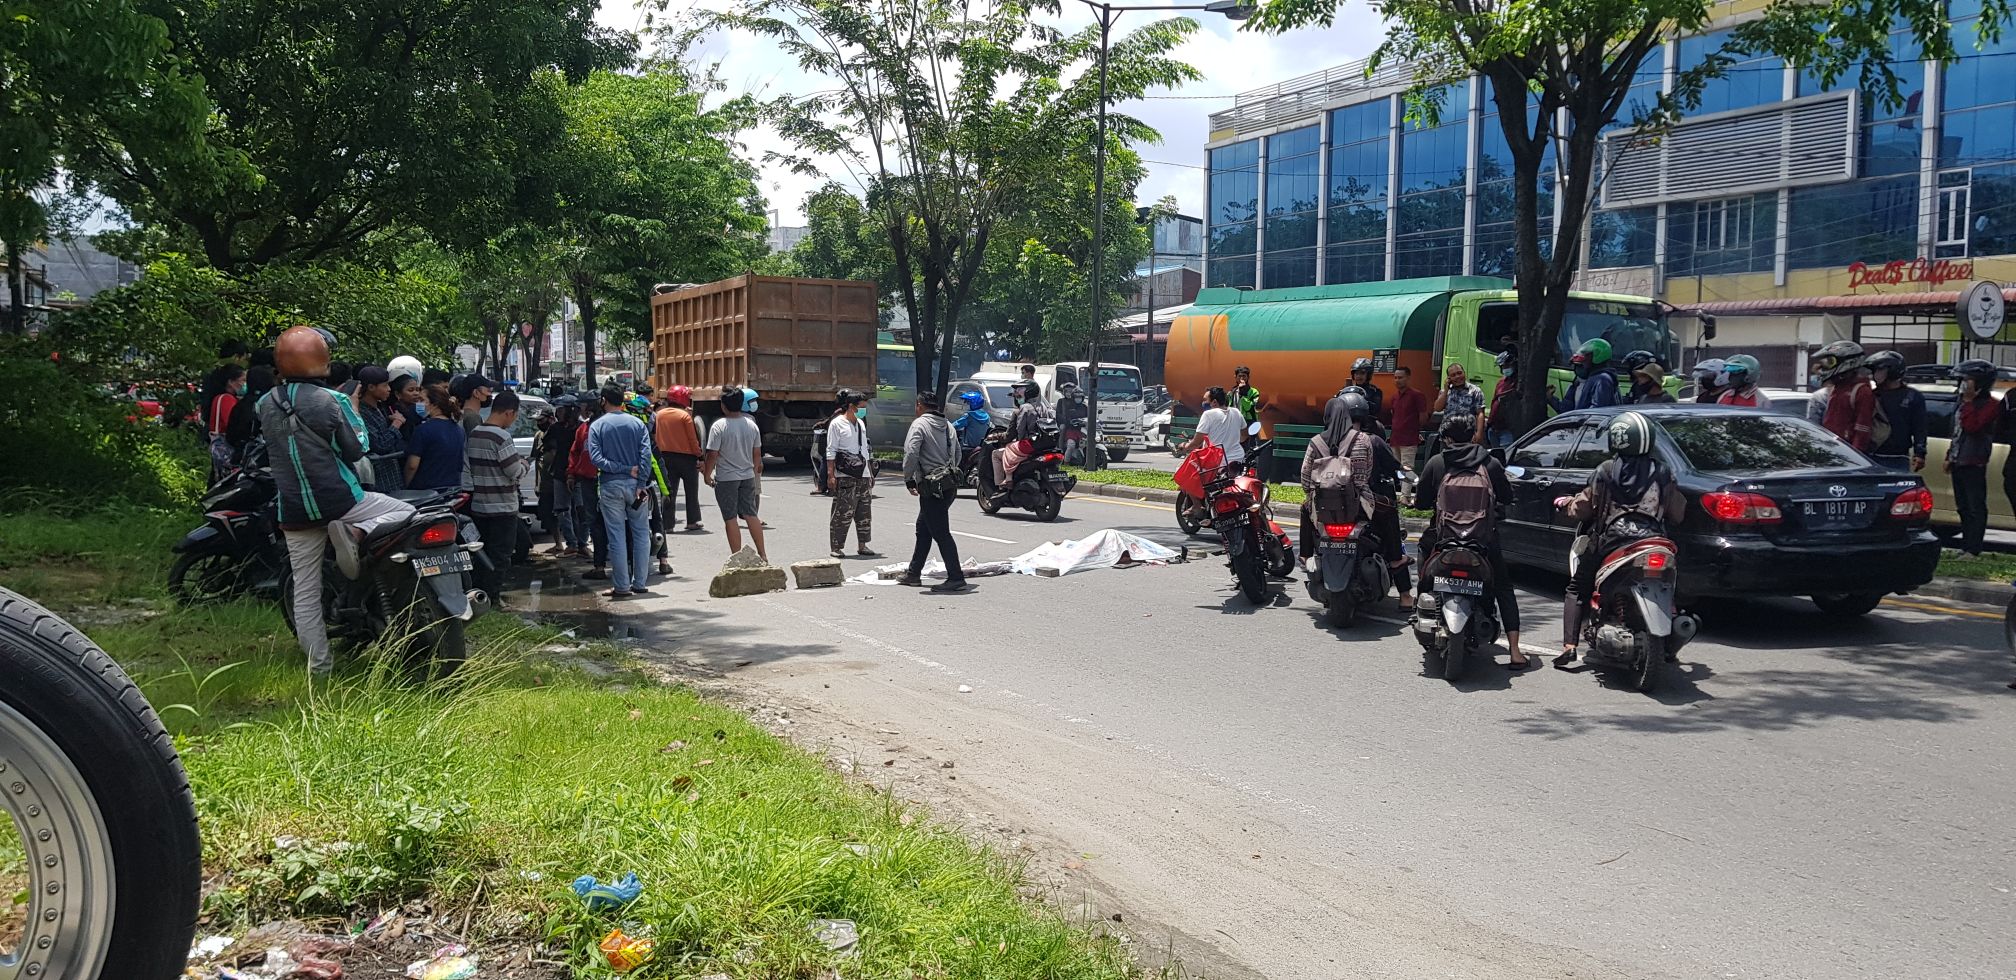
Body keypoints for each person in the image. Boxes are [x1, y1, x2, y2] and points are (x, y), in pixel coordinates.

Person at [258, 326, 413, 676]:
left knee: (306, 589)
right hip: (341, 502)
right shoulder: (332, 401)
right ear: (323, 362)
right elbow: (356, 449)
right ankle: (357, 534)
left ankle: (320, 667)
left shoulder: (264, 403)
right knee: (407, 512)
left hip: (294, 510)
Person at [1552, 411, 1688, 670]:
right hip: (1655, 541)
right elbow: (1678, 514)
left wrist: (1566, 503)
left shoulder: (1606, 470)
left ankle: (1569, 647)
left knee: (1576, 588)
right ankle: (1672, 632)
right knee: (1672, 585)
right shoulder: (1663, 472)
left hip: (1613, 543)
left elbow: (1583, 508)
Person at [1412, 413, 1525, 668]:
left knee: (1423, 553)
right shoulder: (1491, 463)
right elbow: (1507, 497)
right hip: (1482, 541)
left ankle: (1418, 603)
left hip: (1444, 539)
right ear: (1473, 435)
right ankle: (1516, 652)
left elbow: (1420, 502)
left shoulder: (1437, 462)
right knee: (1504, 588)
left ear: (1447, 438)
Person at [1300, 393, 1413, 611]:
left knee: (1305, 508)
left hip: (1323, 507)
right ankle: (1401, 576)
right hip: (1360, 504)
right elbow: (1363, 477)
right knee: (1390, 510)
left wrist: (1319, 493)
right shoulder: (1367, 440)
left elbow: (1306, 478)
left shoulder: (1316, 441)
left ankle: (1305, 555)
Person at [901, 392, 971, 593]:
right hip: (948, 485)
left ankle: (956, 577)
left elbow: (912, 452)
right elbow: (957, 454)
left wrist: (909, 478)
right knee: (923, 529)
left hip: (932, 488)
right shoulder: (948, 425)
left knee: (940, 533)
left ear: (920, 405)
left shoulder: (919, 425)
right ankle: (913, 574)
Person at [467, 389, 530, 604]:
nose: (513, 420)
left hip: (479, 505)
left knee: (481, 554)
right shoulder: (502, 437)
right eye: (515, 416)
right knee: (500, 556)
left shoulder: (475, 432)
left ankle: (478, 596)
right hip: (502, 507)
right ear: (509, 412)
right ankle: (492, 599)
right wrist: (524, 464)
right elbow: (514, 472)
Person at [704, 385, 767, 560]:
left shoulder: (719, 426)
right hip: (747, 476)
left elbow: (712, 455)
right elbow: (757, 454)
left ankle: (737, 558)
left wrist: (707, 475)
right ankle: (763, 554)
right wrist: (753, 473)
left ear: (723, 405)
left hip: (726, 478)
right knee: (750, 514)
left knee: (730, 518)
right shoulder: (751, 425)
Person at [1948, 359, 1999, 556]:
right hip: (1958, 460)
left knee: (1975, 506)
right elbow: (1957, 432)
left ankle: (1974, 547)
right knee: (1962, 506)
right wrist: (1949, 455)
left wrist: (1969, 402)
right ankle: (1965, 546)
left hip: (1974, 462)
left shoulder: (1990, 405)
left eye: (1966, 380)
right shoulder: (1960, 403)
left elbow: (1972, 427)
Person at [826, 389, 876, 559]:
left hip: (863, 472)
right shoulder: (837, 424)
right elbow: (831, 450)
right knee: (842, 511)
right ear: (851, 406)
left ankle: (863, 545)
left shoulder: (860, 423)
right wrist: (831, 474)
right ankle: (837, 546)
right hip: (845, 473)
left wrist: (870, 473)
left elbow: (865, 450)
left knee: (864, 511)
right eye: (861, 407)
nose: (863, 410)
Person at [654, 385, 706, 531]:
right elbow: (692, 439)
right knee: (691, 490)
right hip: (687, 459)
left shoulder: (659, 415)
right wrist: (700, 456)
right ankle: (692, 521)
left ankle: (668, 525)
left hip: (665, 457)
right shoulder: (684, 416)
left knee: (669, 491)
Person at [1865, 350, 1927, 474]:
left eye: (1879, 370)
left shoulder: (1912, 397)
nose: (1874, 375)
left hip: (1898, 457)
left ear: (1892, 370)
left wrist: (1920, 453)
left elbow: (1920, 427)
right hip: (1871, 456)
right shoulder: (1871, 396)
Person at [568, 397, 610, 579]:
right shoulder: (583, 429)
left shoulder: (608, 427)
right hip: (588, 481)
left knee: (612, 523)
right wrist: (570, 473)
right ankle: (599, 566)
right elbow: (575, 452)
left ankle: (621, 565)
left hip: (608, 480)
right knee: (594, 522)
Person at [1811, 341, 1873, 451]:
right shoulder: (1837, 388)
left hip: (1847, 454)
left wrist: (1854, 457)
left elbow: (1862, 432)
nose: (1824, 367)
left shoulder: (1862, 391)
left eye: (1830, 362)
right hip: (1830, 450)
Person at [992, 380, 1052, 489]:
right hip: (1046, 443)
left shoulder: (1025, 407)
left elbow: (1020, 429)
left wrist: (1018, 440)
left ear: (1029, 391)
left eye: (1020, 389)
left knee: (1008, 448)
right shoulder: (1043, 406)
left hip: (1030, 444)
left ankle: (1007, 479)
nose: (1017, 393)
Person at [403, 389, 466, 492]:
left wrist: (406, 485)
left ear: (435, 404)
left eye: (422, 400)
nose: (418, 404)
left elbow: (412, 465)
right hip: (452, 489)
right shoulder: (458, 430)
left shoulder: (422, 430)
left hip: (426, 491)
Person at [354, 366, 406, 491]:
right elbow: (380, 445)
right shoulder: (362, 412)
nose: (389, 389)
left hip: (392, 476)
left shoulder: (380, 408)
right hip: (379, 480)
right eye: (385, 385)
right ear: (371, 387)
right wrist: (396, 424)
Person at [542, 396, 582, 556]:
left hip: (579, 474)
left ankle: (582, 543)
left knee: (581, 510)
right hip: (559, 474)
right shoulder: (555, 428)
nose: (558, 413)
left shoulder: (581, 428)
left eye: (561, 409)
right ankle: (571, 543)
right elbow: (547, 447)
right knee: (562, 509)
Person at [1552, 339, 1620, 412]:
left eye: (1587, 356)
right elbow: (1566, 410)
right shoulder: (1579, 382)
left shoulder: (1603, 379)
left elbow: (1597, 411)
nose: (1578, 369)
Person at [205, 364, 246, 480]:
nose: (244, 384)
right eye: (242, 380)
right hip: (225, 445)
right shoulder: (226, 399)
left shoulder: (219, 398)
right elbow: (231, 423)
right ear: (231, 382)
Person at [1385, 365, 1430, 466]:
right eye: (1395, 378)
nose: (1397, 380)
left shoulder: (1417, 395)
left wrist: (1416, 431)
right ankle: (1399, 482)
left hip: (1409, 439)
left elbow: (1423, 416)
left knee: (1407, 467)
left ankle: (1406, 483)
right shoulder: (1394, 397)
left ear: (1408, 378)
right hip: (1395, 439)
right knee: (1396, 467)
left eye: (1400, 377)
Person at [1432, 363, 1487, 443]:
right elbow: (1437, 408)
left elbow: (1480, 414)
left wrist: (1479, 433)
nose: (1457, 376)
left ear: (1464, 373)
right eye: (1453, 375)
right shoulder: (1445, 392)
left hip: (1468, 435)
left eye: (1459, 373)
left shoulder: (1475, 391)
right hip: (1448, 437)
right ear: (1449, 378)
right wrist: (1446, 390)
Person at [1484, 351, 1520, 448]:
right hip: (1494, 427)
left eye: (1507, 365)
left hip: (1507, 429)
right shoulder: (1501, 382)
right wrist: (1489, 424)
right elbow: (1494, 403)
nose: (1505, 369)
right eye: (1503, 367)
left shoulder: (1518, 383)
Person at [1056, 383, 1090, 464]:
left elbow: (1089, 417)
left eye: (1070, 391)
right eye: (1066, 391)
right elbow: (1059, 414)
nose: (1068, 393)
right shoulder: (1063, 402)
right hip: (1068, 425)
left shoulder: (1084, 406)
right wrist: (1067, 421)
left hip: (1080, 428)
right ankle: (1060, 448)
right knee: (1063, 428)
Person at [1232, 365, 1264, 450]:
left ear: (1248, 377)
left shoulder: (1254, 392)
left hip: (1249, 423)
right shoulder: (1233, 392)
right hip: (1235, 422)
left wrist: (1243, 394)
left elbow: (1249, 407)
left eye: (1244, 376)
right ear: (1235, 377)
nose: (1242, 379)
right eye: (1240, 376)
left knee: (1249, 448)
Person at [1346, 357, 1384, 422]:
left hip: (1367, 425)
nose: (1358, 376)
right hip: (1349, 423)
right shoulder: (1347, 390)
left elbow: (1375, 409)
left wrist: (1361, 401)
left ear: (1368, 375)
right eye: (1356, 373)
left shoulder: (1375, 392)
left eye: (1362, 373)